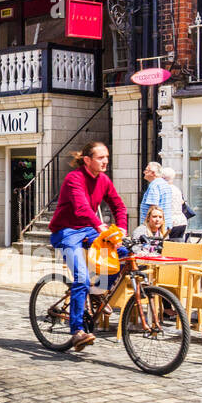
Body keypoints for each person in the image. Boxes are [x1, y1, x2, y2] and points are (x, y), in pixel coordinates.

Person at [46, 140, 128, 352]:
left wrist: (122, 230)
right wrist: (100, 226)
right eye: (101, 158)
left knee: (123, 253)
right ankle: (77, 331)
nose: (105, 161)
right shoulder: (74, 178)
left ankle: (98, 290)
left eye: (107, 157)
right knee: (81, 278)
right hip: (66, 231)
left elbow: (118, 205)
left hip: (89, 229)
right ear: (87, 160)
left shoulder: (104, 180)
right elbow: (82, 208)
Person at [138, 161, 172, 227]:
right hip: (165, 224)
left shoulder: (154, 185)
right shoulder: (165, 184)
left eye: (146, 170)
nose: (144, 172)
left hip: (155, 227)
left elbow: (153, 207)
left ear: (153, 173)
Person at [161, 166, 189, 240]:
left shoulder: (164, 189)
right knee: (178, 245)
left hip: (171, 222)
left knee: (170, 246)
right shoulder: (177, 189)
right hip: (181, 220)